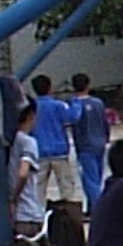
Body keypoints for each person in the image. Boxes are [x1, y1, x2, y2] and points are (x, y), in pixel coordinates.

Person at [29, 75, 80, 215]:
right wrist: (76, 102)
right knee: (66, 186)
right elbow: (73, 117)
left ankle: (38, 214)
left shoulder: (32, 107)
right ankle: (69, 213)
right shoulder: (58, 105)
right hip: (59, 151)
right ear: (50, 88)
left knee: (38, 188)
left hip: (39, 151)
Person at [68, 74, 110, 213]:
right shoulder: (98, 103)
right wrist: (106, 137)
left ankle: (98, 208)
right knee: (97, 176)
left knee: (90, 179)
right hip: (100, 141)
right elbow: (105, 122)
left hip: (85, 145)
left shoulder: (75, 105)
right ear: (88, 85)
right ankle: (92, 206)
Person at [9, 104, 44, 241]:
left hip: (15, 216)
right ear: (31, 117)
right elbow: (23, 173)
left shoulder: (10, 141)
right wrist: (14, 197)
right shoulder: (28, 142)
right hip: (28, 213)